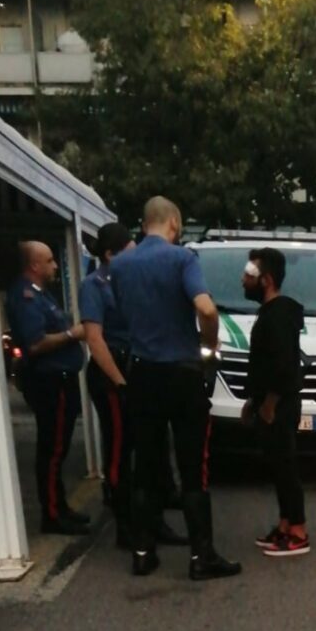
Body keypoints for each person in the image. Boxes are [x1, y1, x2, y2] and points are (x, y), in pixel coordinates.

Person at [110, 196, 241, 580]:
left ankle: (142, 552)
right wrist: (210, 344)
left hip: (142, 373)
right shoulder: (182, 259)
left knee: (146, 465)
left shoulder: (119, 266)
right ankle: (202, 557)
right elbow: (207, 309)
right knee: (192, 466)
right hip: (182, 373)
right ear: (172, 223)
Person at [79, 223, 187, 550]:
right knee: (120, 451)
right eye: (129, 249)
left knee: (149, 450)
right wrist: (121, 382)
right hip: (113, 373)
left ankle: (154, 522)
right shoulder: (94, 286)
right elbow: (94, 339)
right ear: (110, 254)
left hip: (136, 367)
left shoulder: (131, 278)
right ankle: (126, 526)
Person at [5, 241, 88, 536]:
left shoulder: (42, 295)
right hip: (49, 382)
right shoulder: (26, 297)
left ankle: (60, 507)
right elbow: (36, 342)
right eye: (50, 261)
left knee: (58, 448)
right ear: (34, 266)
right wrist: (72, 334)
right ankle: (52, 514)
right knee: (51, 450)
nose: (55, 266)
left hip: (61, 380)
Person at [241, 248, 309, 557]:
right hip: (267, 402)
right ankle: (284, 525)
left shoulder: (279, 316)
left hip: (279, 405)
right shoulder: (270, 313)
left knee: (286, 465)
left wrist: (268, 403)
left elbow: (284, 366)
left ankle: (298, 530)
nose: (243, 280)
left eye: (249, 275)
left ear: (266, 280)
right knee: (278, 467)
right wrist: (251, 401)